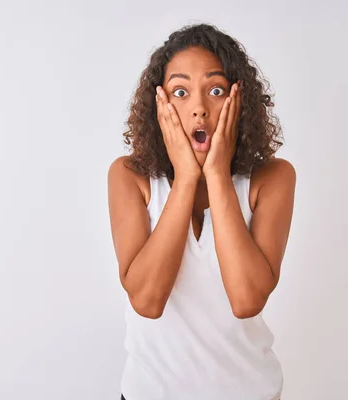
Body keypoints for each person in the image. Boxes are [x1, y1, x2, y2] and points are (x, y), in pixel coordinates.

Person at [108, 23, 296, 400]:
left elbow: (246, 301)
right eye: (180, 92)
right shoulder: (129, 177)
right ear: (159, 105)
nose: (198, 109)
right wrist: (187, 179)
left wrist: (215, 172)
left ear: (238, 101)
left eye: (215, 90)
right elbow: (146, 302)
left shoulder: (272, 178)